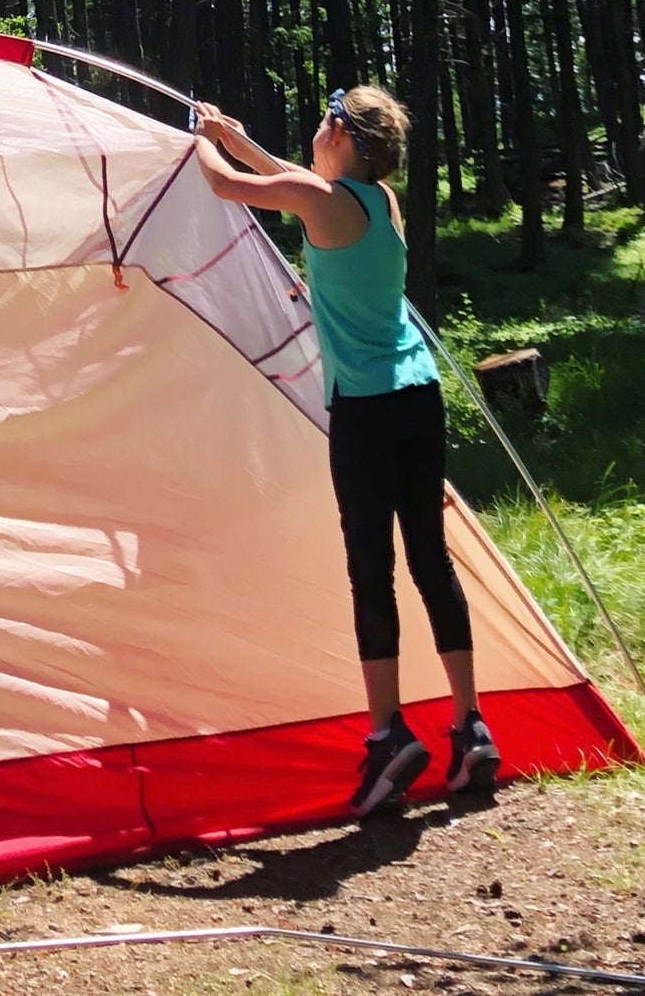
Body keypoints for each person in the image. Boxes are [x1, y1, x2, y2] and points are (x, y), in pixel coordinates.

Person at [192, 87, 500, 818]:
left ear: (342, 135)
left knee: (372, 572)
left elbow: (228, 187)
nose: (313, 132)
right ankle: (469, 724)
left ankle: (388, 734)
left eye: (324, 122)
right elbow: (292, 185)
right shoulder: (379, 203)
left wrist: (197, 141)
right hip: (418, 398)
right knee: (431, 560)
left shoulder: (314, 193)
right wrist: (235, 134)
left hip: (363, 410)